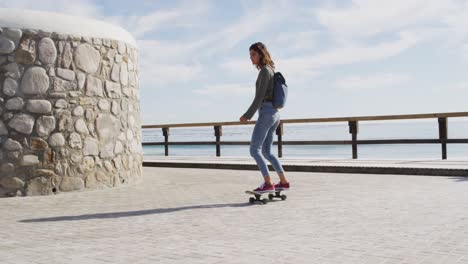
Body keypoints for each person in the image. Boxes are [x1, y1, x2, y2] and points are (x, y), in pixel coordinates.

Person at [239, 42, 290, 193]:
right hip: (275, 114)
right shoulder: (271, 70)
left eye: (253, 55)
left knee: (254, 150)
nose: (251, 58)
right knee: (267, 151)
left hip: (266, 112)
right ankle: (283, 181)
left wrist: (247, 115)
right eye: (250, 55)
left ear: (261, 54)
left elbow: (259, 96)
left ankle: (268, 184)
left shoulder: (264, 71)